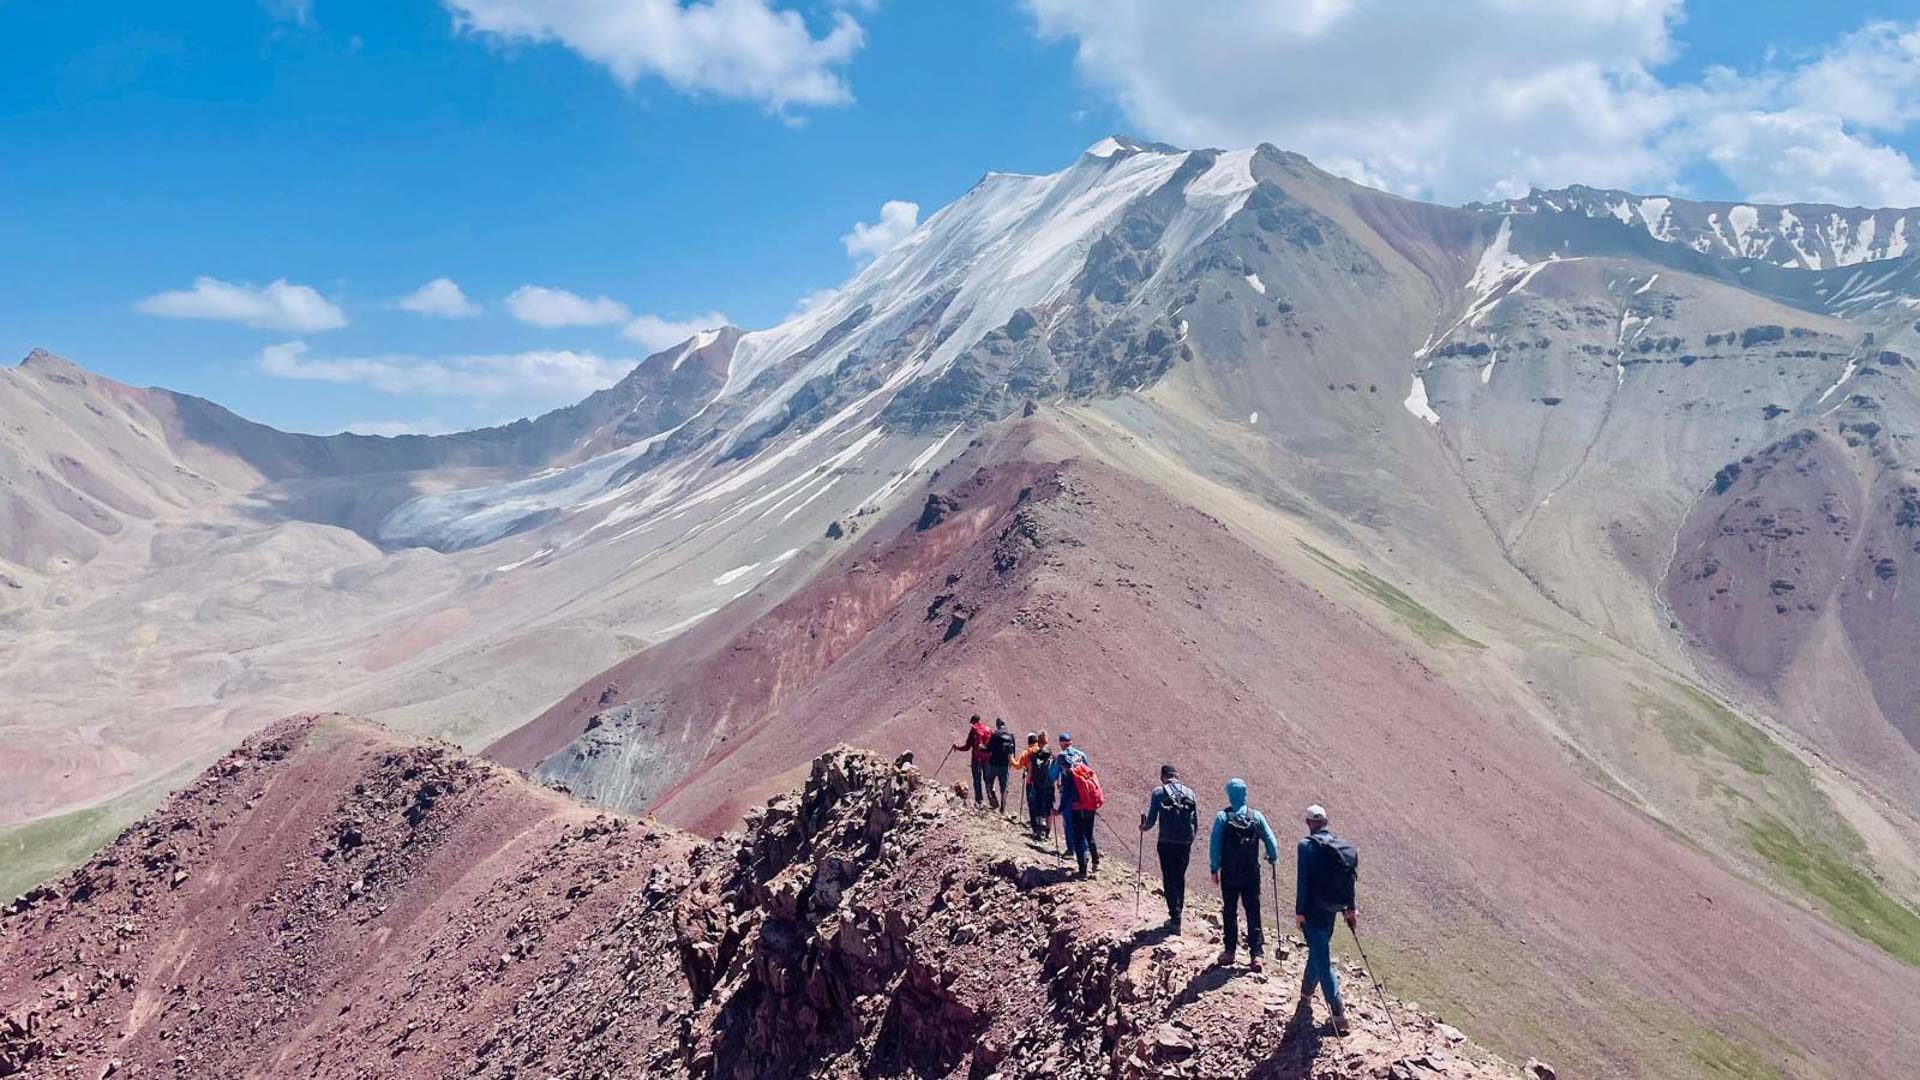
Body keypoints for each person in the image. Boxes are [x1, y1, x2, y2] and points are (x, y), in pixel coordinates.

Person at [1295, 804, 1358, 1035]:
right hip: (1332, 909)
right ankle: (1305, 995)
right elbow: (1350, 878)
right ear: (1326, 822)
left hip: (1312, 910)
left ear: (1309, 823)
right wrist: (1351, 909)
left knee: (1322, 957)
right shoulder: (1339, 847)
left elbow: (1303, 881)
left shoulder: (1306, 846)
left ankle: (1338, 1010)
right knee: (1318, 950)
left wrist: (1299, 911)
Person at [1209, 778, 1279, 971]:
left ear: (1230, 795)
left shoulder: (1223, 817)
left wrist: (1214, 869)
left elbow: (1214, 844)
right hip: (1251, 873)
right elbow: (1271, 841)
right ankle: (1256, 955)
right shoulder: (1256, 816)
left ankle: (1230, 951)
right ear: (1245, 794)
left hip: (1230, 873)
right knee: (1253, 911)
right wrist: (1272, 858)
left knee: (1230, 911)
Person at [1140, 764, 1199, 932]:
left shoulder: (1159, 792)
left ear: (1163, 776)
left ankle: (1175, 916)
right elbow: (1195, 822)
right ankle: (1179, 913)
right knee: (1180, 877)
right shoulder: (1190, 793)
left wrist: (1144, 827)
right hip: (1184, 842)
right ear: (1176, 776)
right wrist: (1189, 839)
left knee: (1168, 877)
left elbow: (1151, 820)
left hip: (1166, 842)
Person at [1049, 732, 1100, 877]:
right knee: (1088, 832)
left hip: (1075, 805)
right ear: (1071, 742)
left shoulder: (1061, 759)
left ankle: (1082, 866)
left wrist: (1059, 809)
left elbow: (1052, 776)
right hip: (1089, 802)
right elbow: (1090, 773)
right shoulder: (1081, 755)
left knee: (1076, 833)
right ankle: (1095, 861)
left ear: (1061, 743)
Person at [1011, 732, 1054, 840]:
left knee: (1034, 806)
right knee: (1048, 807)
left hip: (1034, 783)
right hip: (1049, 785)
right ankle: (1047, 832)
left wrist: (1010, 758)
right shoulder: (1050, 754)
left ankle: (1036, 830)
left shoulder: (1029, 753)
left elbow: (1017, 766)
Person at [951, 714, 992, 808]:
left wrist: (957, 748)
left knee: (977, 780)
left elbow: (967, 747)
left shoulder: (974, 731)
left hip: (976, 758)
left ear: (973, 721)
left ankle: (979, 801)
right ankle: (991, 799)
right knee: (987, 780)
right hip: (987, 759)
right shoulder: (988, 729)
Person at [986, 718, 1018, 810]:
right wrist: (1011, 763)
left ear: (998, 725)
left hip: (994, 763)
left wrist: (981, 748)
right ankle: (1003, 807)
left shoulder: (995, 734)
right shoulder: (1011, 736)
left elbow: (989, 749)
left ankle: (993, 800)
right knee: (1004, 787)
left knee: (989, 781)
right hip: (1005, 765)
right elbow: (1013, 752)